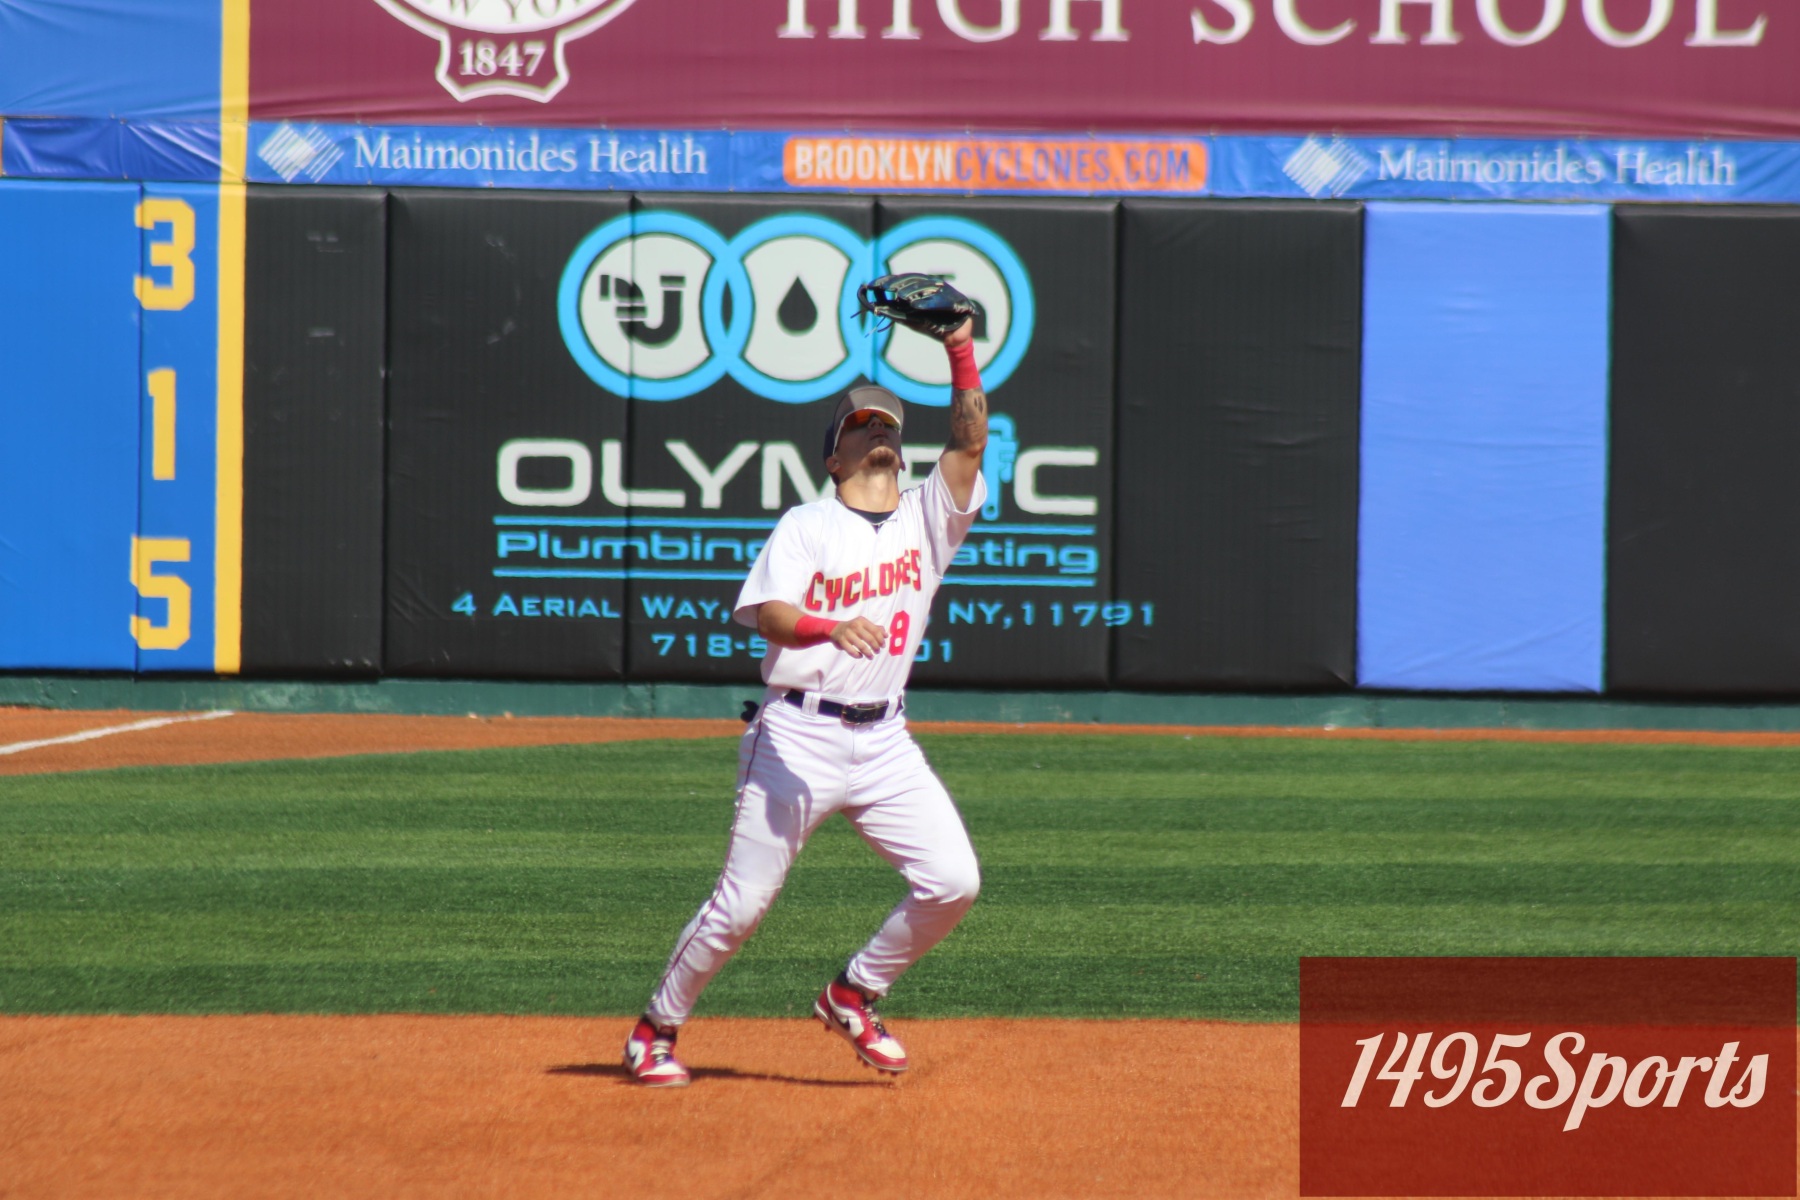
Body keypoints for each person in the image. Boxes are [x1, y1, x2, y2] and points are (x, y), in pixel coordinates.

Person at [623, 318, 990, 1087]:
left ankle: (854, 992)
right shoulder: (808, 524)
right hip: (797, 736)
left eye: (886, 425)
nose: (877, 433)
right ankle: (655, 1029)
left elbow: (968, 439)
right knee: (741, 906)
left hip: (885, 742)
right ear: (834, 457)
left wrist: (959, 347)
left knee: (955, 881)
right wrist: (830, 626)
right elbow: (770, 615)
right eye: (860, 426)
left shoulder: (929, 517)